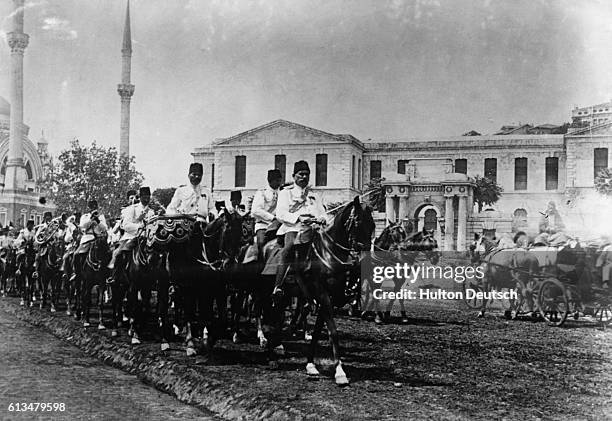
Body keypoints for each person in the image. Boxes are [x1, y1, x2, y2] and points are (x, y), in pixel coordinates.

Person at [273, 160, 328, 297]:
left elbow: (323, 213)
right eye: (301, 174)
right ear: (294, 176)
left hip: (313, 230)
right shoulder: (286, 193)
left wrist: (322, 218)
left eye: (307, 174)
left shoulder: (314, 195)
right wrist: (299, 218)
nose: (304, 177)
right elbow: (280, 214)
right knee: (288, 249)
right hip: (293, 229)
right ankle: (278, 285)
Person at [108, 187, 154, 273]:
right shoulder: (132, 208)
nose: (147, 199)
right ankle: (116, 276)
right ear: (140, 197)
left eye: (148, 197)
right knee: (120, 253)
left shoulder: (151, 212)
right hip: (132, 236)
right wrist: (139, 227)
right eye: (144, 197)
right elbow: (126, 225)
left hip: (148, 238)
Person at [71, 200, 108, 282]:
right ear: (88, 208)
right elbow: (83, 226)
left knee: (108, 253)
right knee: (76, 254)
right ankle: (76, 274)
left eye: (95, 206)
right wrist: (91, 218)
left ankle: (107, 274)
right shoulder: (84, 216)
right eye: (91, 206)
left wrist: (98, 221)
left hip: (98, 239)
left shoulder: (101, 216)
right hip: (87, 239)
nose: (93, 208)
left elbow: (104, 228)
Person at [251, 169, 282, 258]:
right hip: (264, 225)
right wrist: (272, 218)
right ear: (270, 181)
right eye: (277, 181)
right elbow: (256, 210)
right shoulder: (262, 193)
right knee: (261, 243)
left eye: (280, 180)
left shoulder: (283, 193)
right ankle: (260, 266)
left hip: (279, 225)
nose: (279, 183)